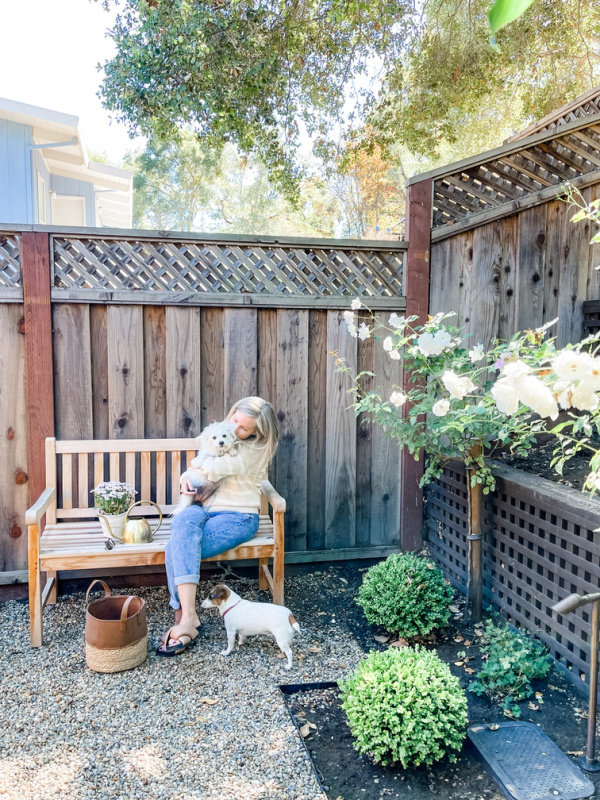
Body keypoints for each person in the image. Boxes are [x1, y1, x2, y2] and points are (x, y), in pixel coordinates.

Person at [158, 396, 279, 656]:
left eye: (244, 428)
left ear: (256, 434)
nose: (235, 430)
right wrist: (185, 481)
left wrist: (198, 469)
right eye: (235, 420)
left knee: (176, 547)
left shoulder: (251, 451)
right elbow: (197, 467)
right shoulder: (221, 435)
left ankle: (184, 616)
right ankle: (188, 617)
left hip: (239, 518)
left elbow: (211, 465)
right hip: (206, 511)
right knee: (182, 522)